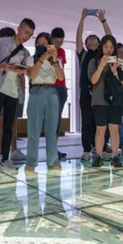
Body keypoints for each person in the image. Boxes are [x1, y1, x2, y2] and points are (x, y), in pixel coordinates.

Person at [0, 19, 35, 174]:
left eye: (30, 35)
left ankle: (4, 159)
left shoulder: (25, 53)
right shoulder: (1, 43)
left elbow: (27, 73)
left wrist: (22, 71)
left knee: (9, 127)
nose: (27, 36)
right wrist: (2, 66)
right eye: (26, 32)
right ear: (19, 29)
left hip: (13, 92)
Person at [25, 32, 64, 172]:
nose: (41, 46)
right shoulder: (31, 59)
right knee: (33, 128)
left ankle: (53, 160)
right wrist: (41, 59)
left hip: (52, 92)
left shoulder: (56, 60)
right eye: (39, 44)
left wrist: (55, 60)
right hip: (36, 91)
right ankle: (31, 161)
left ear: (50, 46)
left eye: (44, 44)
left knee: (52, 129)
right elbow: (31, 75)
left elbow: (60, 77)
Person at [76, 9, 112, 161]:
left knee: (101, 122)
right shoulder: (83, 54)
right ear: (85, 44)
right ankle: (86, 150)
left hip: (100, 94)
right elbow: (78, 36)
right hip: (86, 93)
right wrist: (82, 18)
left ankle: (101, 148)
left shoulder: (102, 55)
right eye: (89, 39)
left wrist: (103, 20)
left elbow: (110, 38)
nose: (91, 40)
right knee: (86, 123)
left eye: (94, 39)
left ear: (99, 44)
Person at [88, 34, 123, 169]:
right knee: (100, 129)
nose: (109, 50)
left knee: (114, 129)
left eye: (111, 47)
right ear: (101, 47)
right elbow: (93, 81)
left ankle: (115, 156)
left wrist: (115, 72)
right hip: (99, 100)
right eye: (106, 47)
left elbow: (122, 84)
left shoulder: (120, 63)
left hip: (115, 101)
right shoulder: (94, 62)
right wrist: (101, 66)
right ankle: (98, 156)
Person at [0, 28, 26, 164]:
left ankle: (14, 150)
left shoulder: (20, 53)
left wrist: (22, 93)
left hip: (15, 92)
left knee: (12, 123)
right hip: (0, 92)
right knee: (0, 122)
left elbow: (22, 75)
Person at [51, 27, 68, 159]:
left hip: (61, 88)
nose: (58, 45)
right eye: (56, 42)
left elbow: (60, 69)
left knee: (57, 120)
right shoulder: (45, 51)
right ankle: (51, 149)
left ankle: (53, 148)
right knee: (51, 120)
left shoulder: (61, 51)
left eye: (61, 42)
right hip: (50, 87)